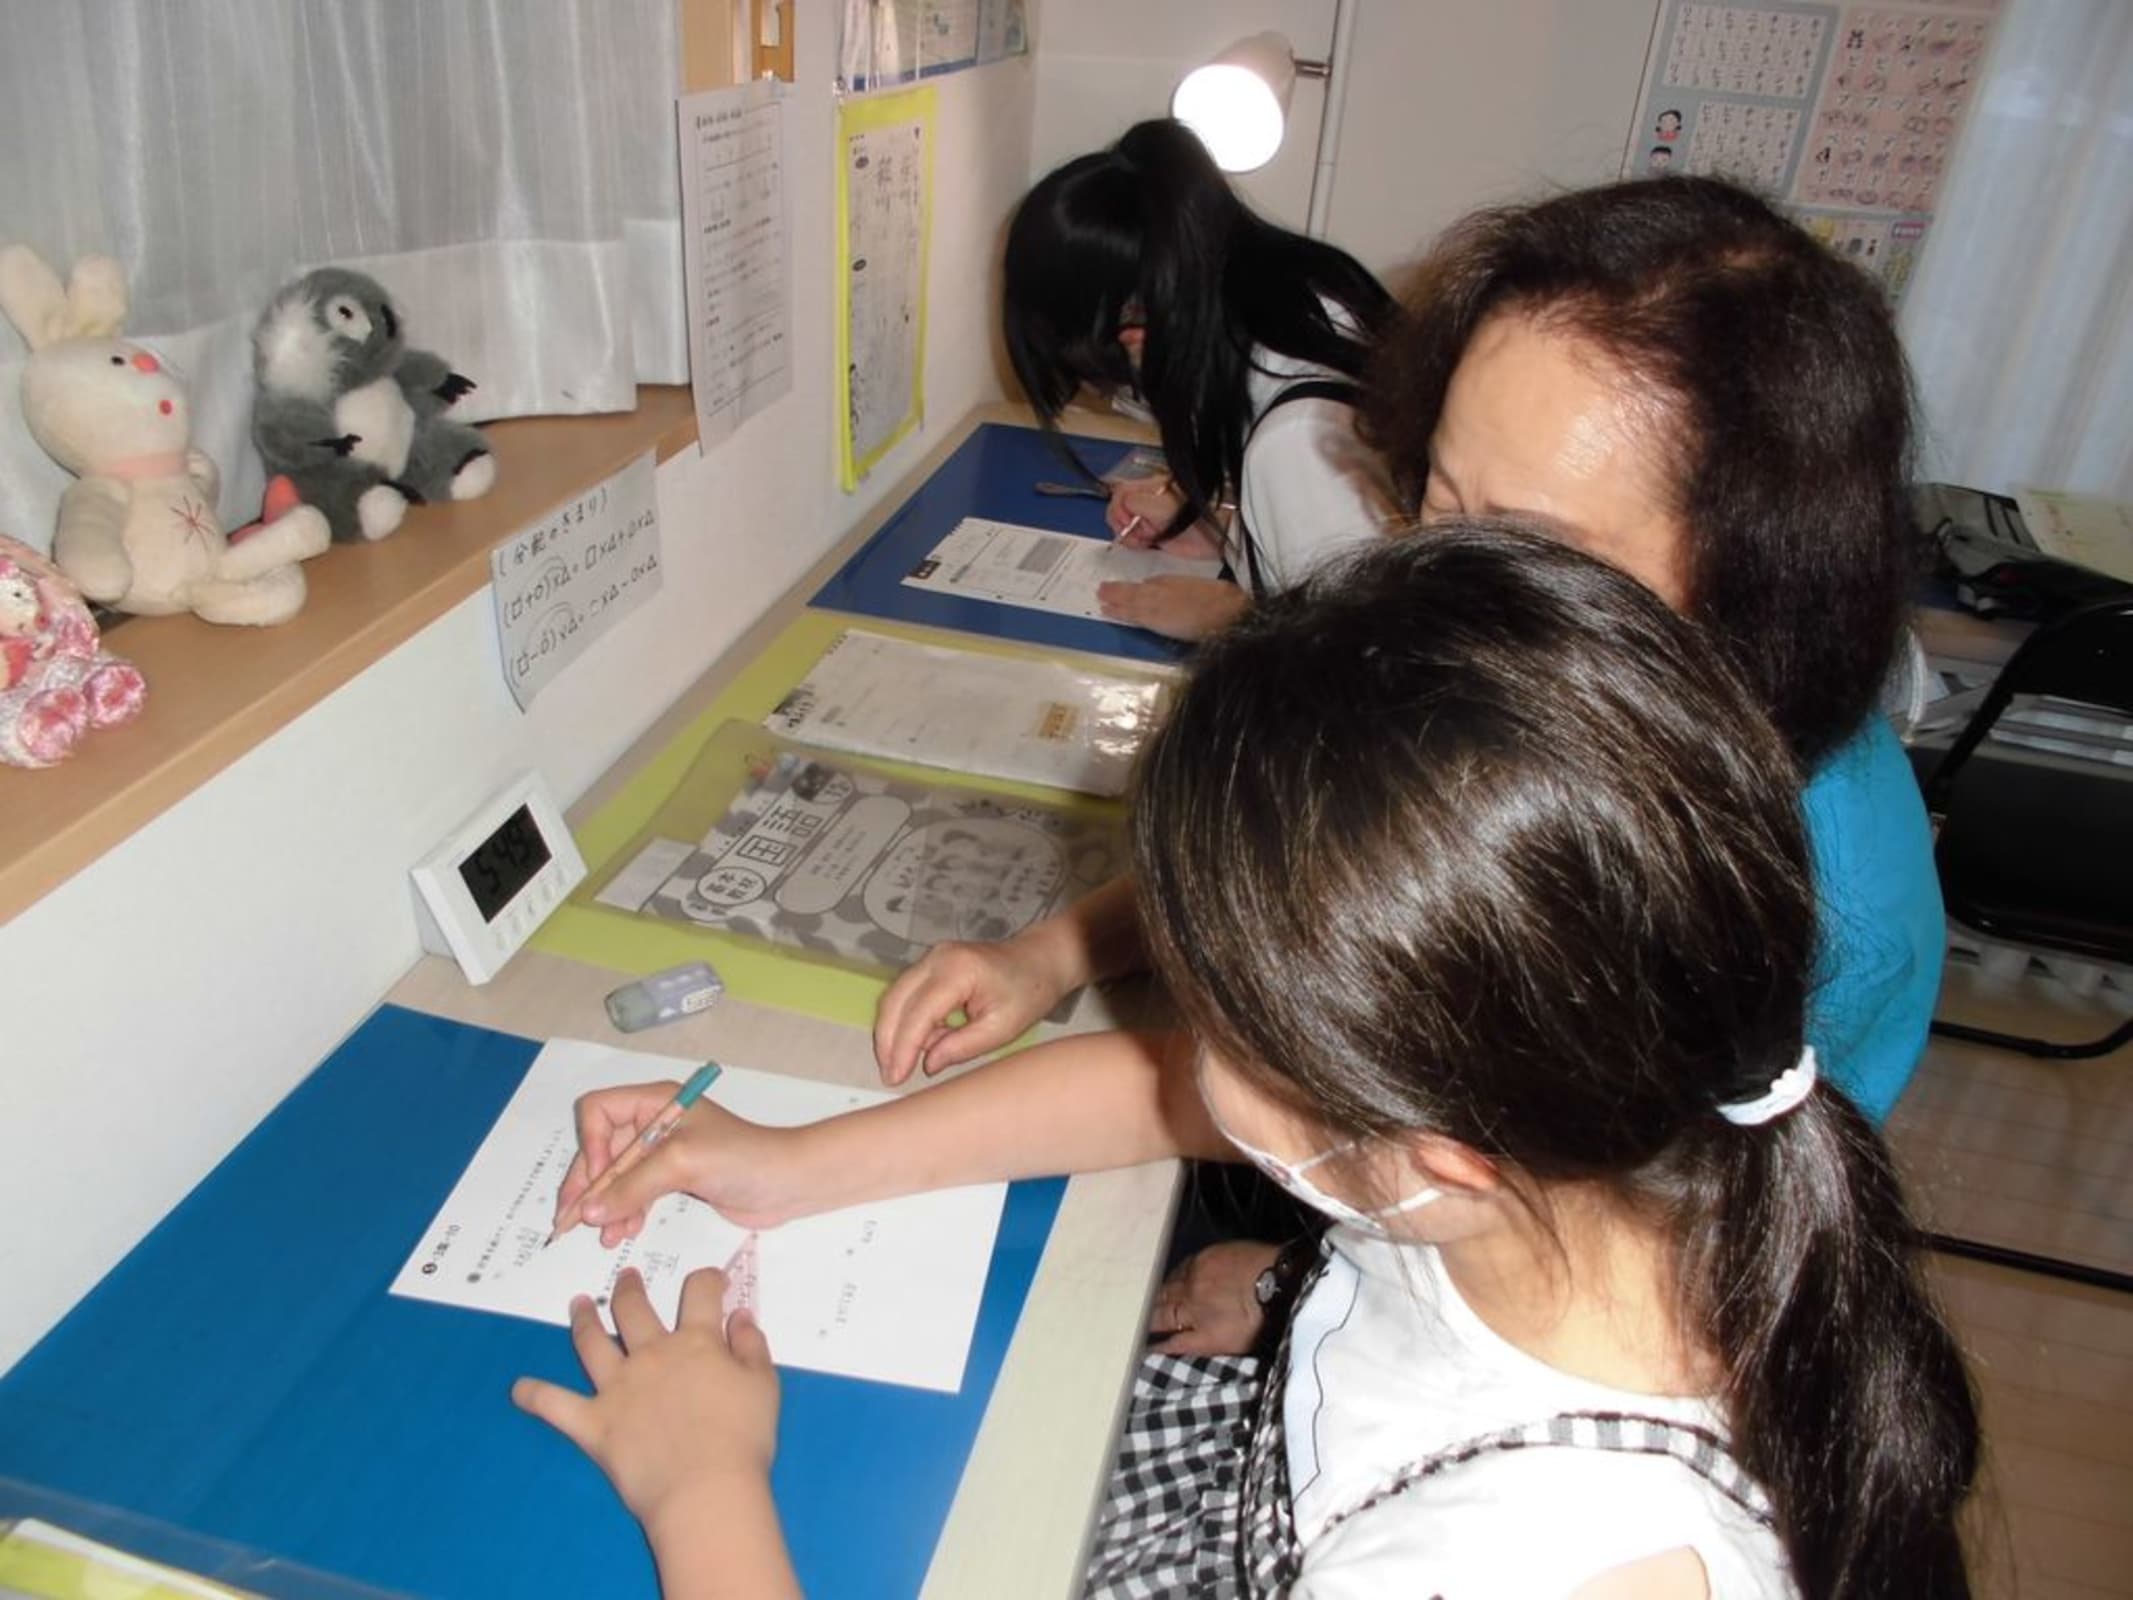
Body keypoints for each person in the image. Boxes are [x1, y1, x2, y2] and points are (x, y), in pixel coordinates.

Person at [515, 529, 1979, 1598]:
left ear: (1419, 1143)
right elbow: (1147, 1094)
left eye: (1214, 1011)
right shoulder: (1583, 1157)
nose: (1179, 1036)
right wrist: (787, 1167)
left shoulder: (1561, 1561)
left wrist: (700, 1488)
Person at [877, 176, 1941, 1132]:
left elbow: (1428, 1154)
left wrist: (1267, 1261)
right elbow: (1311, 847)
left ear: (1752, 570)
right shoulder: (1535, 663)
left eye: (1527, 538)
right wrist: (1053, 952)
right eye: (1438, 492)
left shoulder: (1745, 902)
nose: (1439, 573)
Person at [1003, 118, 1398, 640]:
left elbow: (1369, 650)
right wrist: (1222, 528)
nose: (1128, 398)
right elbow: (1355, 549)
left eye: (1112, 386)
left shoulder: (1296, 440)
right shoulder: (1302, 293)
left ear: (1135, 337)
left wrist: (1229, 616)